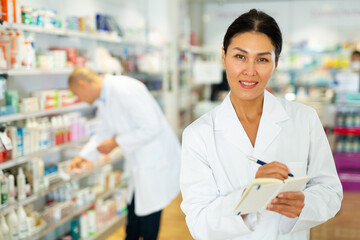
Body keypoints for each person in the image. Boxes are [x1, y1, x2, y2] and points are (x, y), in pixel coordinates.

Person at [180, 9, 343, 240]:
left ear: (276, 62)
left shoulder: (304, 119)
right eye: (240, 56)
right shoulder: (199, 135)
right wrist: (250, 197)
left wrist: (304, 205)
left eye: (262, 59)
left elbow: (331, 192)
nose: (250, 70)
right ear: (223, 56)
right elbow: (198, 222)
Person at [67, 67, 181, 240]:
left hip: (155, 161)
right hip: (141, 164)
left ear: (83, 84)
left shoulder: (125, 89)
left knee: (149, 221)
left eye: (77, 93)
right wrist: (83, 155)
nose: (79, 98)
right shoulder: (104, 98)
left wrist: (116, 142)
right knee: (134, 218)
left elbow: (152, 126)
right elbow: (104, 130)